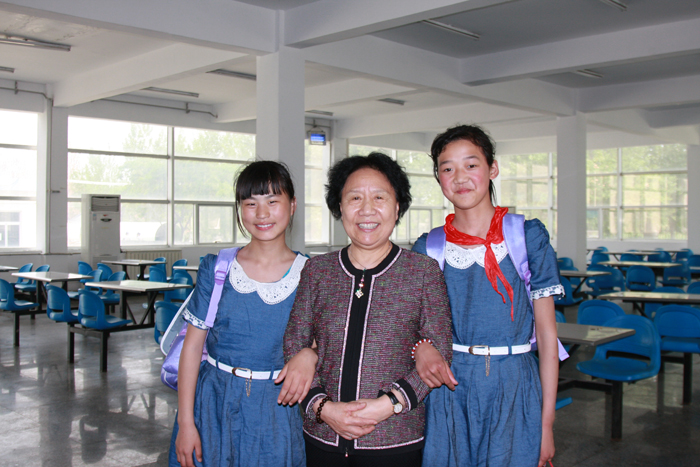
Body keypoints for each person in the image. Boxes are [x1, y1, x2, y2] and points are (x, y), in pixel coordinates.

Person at [284, 152, 453, 467]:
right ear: (339, 207)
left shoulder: (422, 272)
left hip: (394, 439)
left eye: (379, 197)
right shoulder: (317, 271)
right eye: (354, 198)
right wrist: (323, 408)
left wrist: (387, 405)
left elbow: (440, 351)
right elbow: (295, 344)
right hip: (323, 438)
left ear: (397, 206)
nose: (366, 209)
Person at [412, 125, 562, 467]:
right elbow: (413, 326)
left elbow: (547, 335)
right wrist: (422, 348)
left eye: (471, 165)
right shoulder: (430, 248)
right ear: (438, 178)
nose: (460, 177)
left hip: (514, 382)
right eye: (447, 168)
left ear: (492, 168)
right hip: (450, 388)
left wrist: (546, 424)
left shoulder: (526, 237)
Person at [169, 160, 314, 467]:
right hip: (213, 404)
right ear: (239, 209)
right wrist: (185, 422)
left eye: (272, 201)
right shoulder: (217, 268)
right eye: (250, 203)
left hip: (278, 409)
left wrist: (310, 354)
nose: (262, 214)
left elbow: (324, 342)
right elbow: (192, 348)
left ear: (292, 206)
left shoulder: (312, 273)